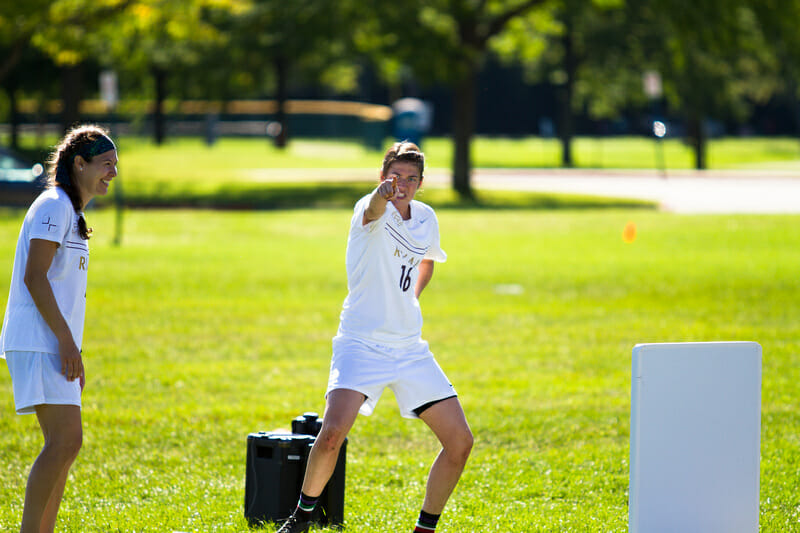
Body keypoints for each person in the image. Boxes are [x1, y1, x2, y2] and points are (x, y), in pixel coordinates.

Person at [278, 142, 473, 533]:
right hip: (361, 344)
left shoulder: (426, 217)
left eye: (410, 179)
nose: (401, 185)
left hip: (408, 348)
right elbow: (374, 209)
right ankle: (300, 520)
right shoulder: (368, 209)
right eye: (394, 176)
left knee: (460, 442)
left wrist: (409, 299)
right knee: (332, 433)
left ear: (421, 183)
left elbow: (428, 259)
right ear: (382, 176)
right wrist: (381, 194)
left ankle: (425, 528)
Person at [1, 124, 117, 533]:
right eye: (105, 164)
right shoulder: (54, 205)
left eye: (115, 165)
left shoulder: (72, 210)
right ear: (79, 164)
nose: (113, 174)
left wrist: (74, 350)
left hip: (56, 342)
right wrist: (67, 344)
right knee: (64, 442)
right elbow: (36, 277)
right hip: (39, 340)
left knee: (68, 445)